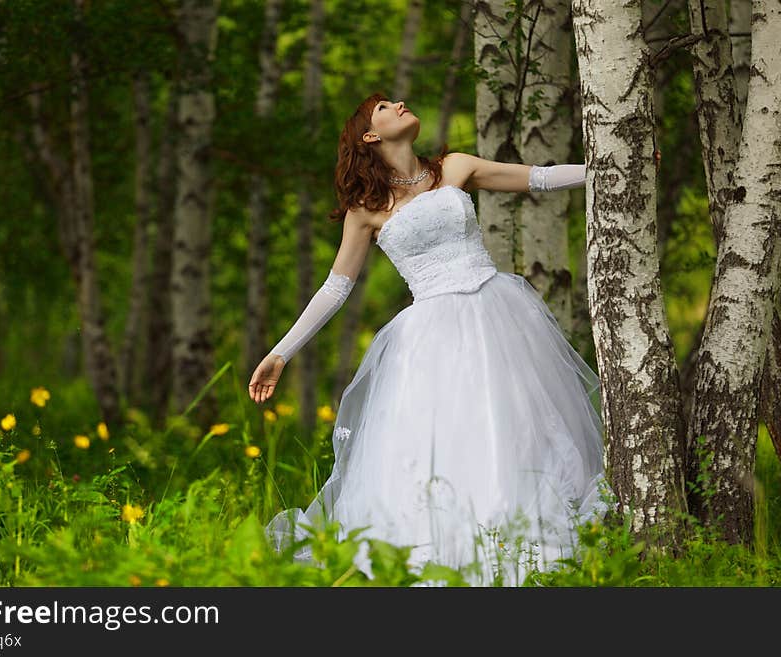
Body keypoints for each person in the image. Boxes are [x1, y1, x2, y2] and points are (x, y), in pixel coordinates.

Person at [247, 93, 611, 586]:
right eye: (383, 107)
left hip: (495, 316)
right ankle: (439, 551)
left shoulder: (453, 167)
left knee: (512, 426)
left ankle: (514, 535)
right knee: (439, 442)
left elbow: (537, 177)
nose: (399, 103)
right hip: (430, 337)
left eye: (397, 100)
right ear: (369, 137)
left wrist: (609, 165)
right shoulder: (366, 210)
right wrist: (280, 353)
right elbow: (336, 288)